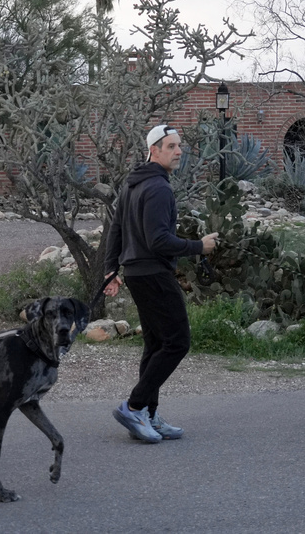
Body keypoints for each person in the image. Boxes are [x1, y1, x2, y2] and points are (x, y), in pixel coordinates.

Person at [103, 124, 218, 443]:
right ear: (154, 150)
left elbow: (115, 230)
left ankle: (148, 416)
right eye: (171, 146)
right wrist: (199, 247)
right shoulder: (158, 188)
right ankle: (134, 406)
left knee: (155, 344)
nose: (179, 151)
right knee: (177, 342)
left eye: (179, 145)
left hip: (135, 274)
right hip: (153, 274)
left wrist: (110, 269)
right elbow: (158, 241)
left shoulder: (132, 184)